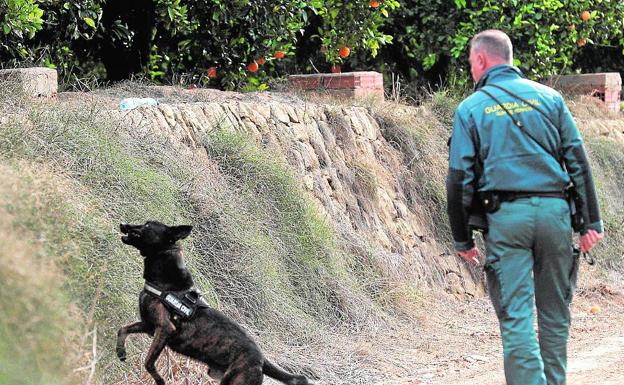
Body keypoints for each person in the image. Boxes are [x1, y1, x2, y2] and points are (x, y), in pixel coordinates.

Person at [446, 29, 604, 385]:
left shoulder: (471, 109)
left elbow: (459, 179)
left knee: (516, 316)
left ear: (481, 60)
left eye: (471, 62)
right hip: (555, 215)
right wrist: (590, 223)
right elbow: (578, 162)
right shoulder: (551, 99)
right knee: (554, 314)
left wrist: (462, 238)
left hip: (506, 220)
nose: (472, 69)